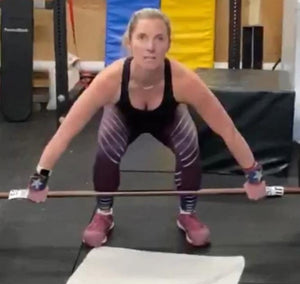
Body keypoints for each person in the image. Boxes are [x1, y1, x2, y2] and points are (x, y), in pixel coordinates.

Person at [27, 8, 266, 248]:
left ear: (168, 44)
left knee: (190, 146)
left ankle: (187, 213)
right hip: (123, 118)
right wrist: (40, 177)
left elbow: (228, 131)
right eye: (142, 37)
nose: (150, 47)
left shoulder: (185, 81)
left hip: (168, 119)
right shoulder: (109, 80)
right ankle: (103, 213)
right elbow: (65, 132)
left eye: (159, 38)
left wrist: (253, 174)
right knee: (106, 148)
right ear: (129, 42)